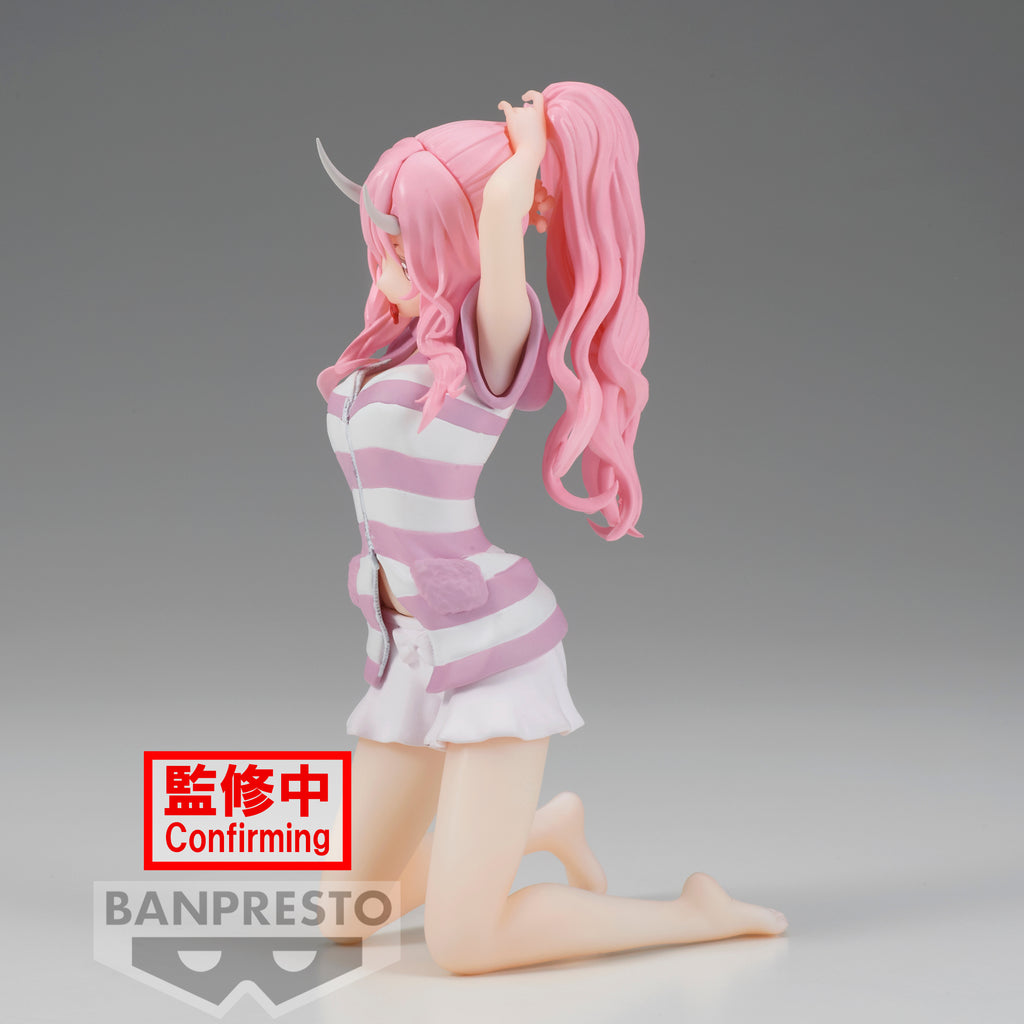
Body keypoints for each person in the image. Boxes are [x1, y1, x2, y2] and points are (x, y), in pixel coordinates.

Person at [314, 82, 788, 975]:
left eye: (408, 241)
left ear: (461, 243)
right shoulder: (402, 348)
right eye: (382, 236)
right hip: (408, 652)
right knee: (344, 912)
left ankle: (695, 914)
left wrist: (527, 156)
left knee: (465, 946)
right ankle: (538, 830)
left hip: (489, 648)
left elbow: (500, 226)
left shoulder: (493, 339)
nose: (387, 258)